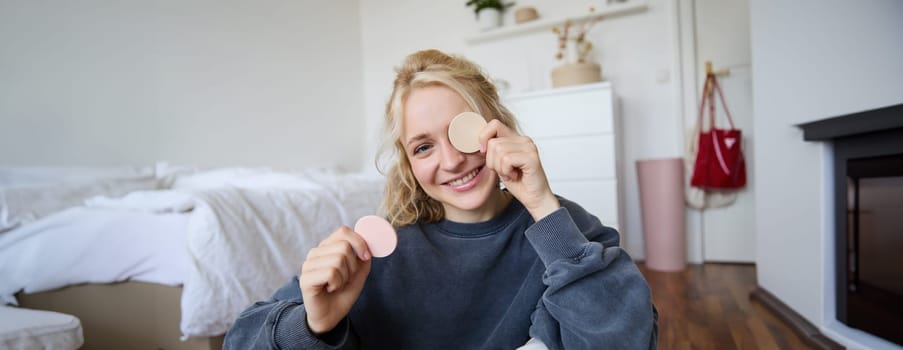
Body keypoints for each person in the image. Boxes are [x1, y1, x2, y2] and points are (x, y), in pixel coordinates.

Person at [223, 49, 658, 349]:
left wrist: (544, 207)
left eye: (461, 131)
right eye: (423, 147)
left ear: (497, 126)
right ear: (408, 164)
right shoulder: (379, 250)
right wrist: (314, 324)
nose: (451, 161)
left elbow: (627, 340)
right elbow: (240, 340)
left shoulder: (563, 227)